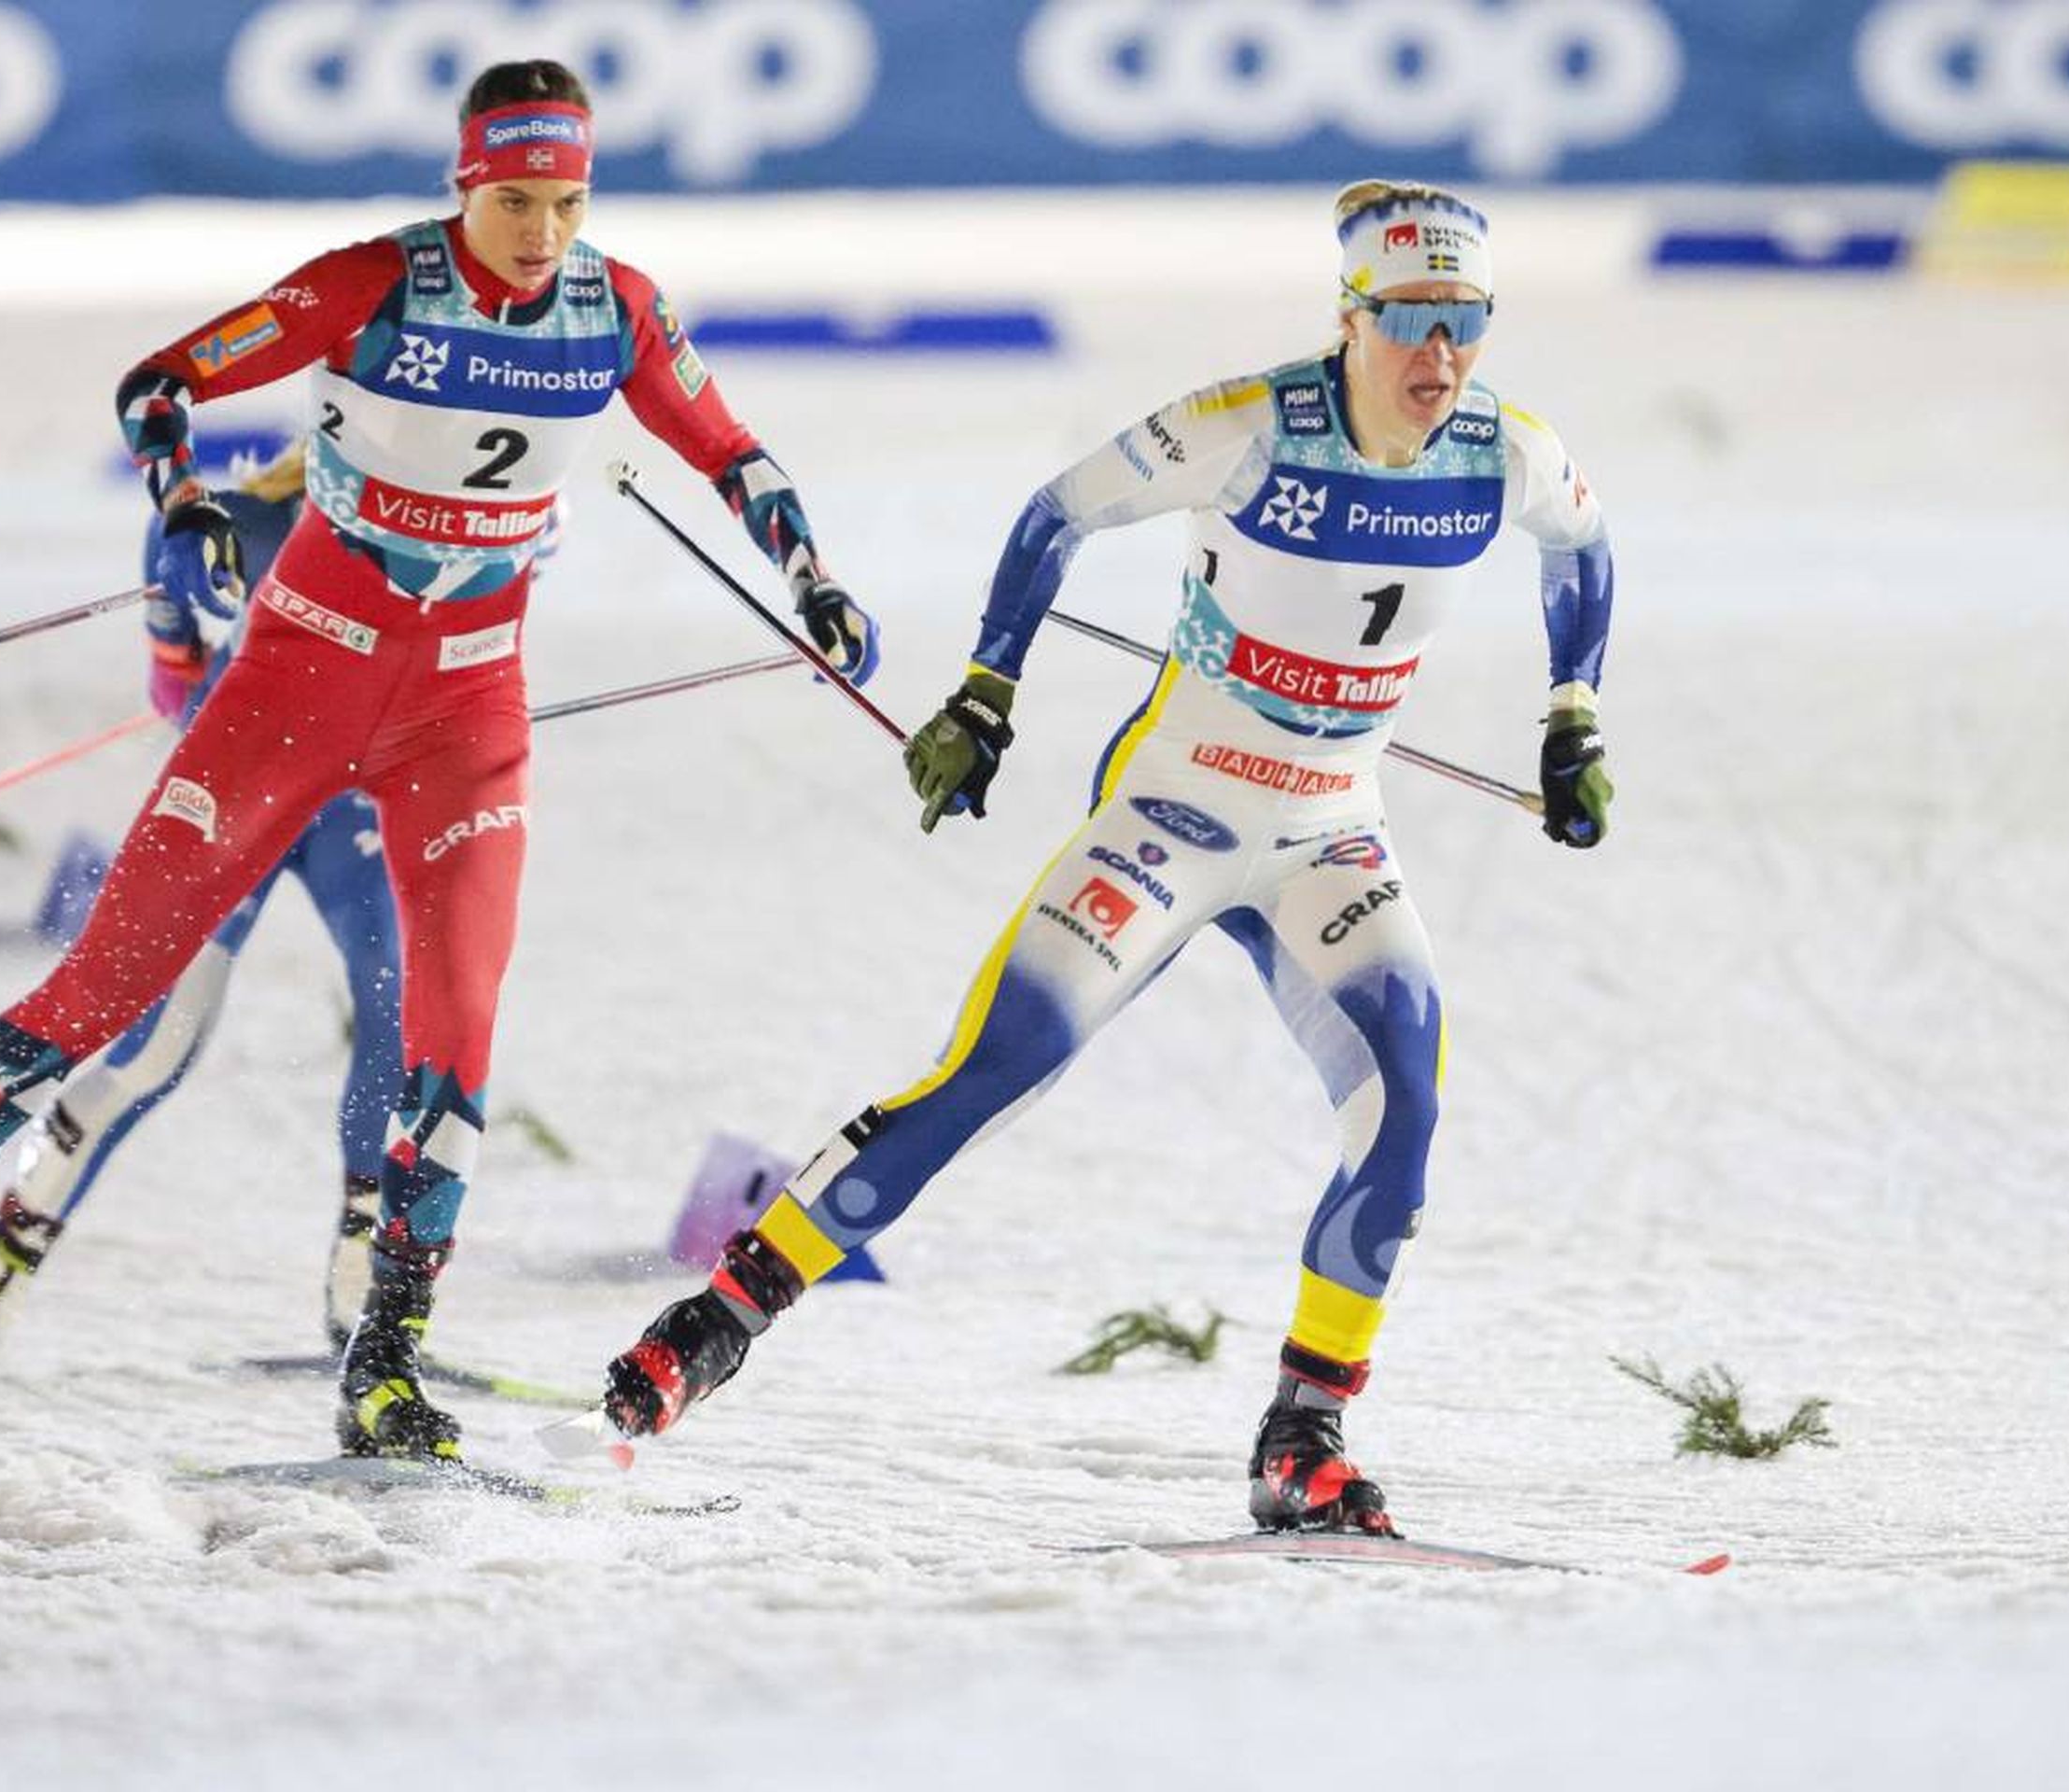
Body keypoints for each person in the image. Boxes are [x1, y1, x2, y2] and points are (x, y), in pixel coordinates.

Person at [0, 59, 879, 1466]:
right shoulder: (371, 283)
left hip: (467, 712)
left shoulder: (616, 308)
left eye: (567, 201)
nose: (542, 232)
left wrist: (814, 584)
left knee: (452, 1038)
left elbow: (734, 452)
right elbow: (160, 386)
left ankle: (384, 1362)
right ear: (467, 183)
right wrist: (186, 502)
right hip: (298, 676)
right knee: (110, 984)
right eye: (515, 199)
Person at [596, 181, 1616, 1537]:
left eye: (1466, 325)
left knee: (1407, 1113)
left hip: (1331, 830)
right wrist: (984, 697)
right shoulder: (1249, 427)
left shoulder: (1502, 449)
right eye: (1412, 322)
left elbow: (1586, 552)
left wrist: (1572, 717)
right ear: (1353, 315)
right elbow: (1055, 514)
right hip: (1174, 814)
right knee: (994, 1071)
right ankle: (715, 1321)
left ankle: (1302, 1436)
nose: (1440, 358)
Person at [0, 441, 410, 1393]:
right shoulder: (234, 523)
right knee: (152, 1050)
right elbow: (172, 683)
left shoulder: (451, 517)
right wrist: (238, 717)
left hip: (355, 806)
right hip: (247, 797)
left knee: (401, 1010)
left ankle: (369, 1308)